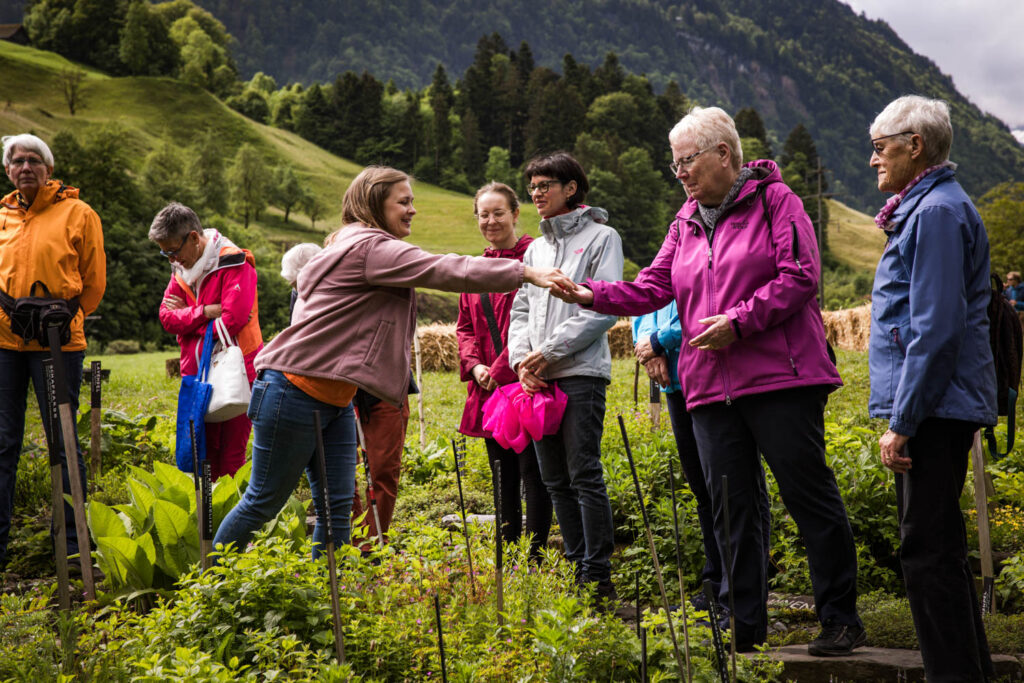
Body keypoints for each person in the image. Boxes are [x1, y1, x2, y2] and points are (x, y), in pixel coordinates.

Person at [551, 107, 863, 655]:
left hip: (779, 380)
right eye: (675, 166)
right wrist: (591, 294)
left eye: (687, 161)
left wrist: (740, 322)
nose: (681, 175)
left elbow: (800, 278)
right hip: (709, 389)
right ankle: (745, 629)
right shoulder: (685, 220)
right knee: (729, 508)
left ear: (725, 153)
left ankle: (840, 619)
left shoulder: (776, 201)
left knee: (807, 496)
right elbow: (652, 286)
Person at [213, 166, 565, 559]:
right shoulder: (370, 247)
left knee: (337, 512)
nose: (413, 209)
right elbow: (444, 268)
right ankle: (209, 589)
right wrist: (526, 272)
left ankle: (329, 601)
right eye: (404, 201)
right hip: (293, 392)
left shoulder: (354, 243)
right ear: (374, 203)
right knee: (263, 501)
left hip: (336, 398)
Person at [868, 95, 995, 680]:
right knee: (937, 547)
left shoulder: (937, 212)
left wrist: (903, 419)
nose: (874, 160)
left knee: (925, 551)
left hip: (933, 408)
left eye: (879, 147)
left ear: (913, 145)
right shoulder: (928, 207)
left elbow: (936, 329)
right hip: (936, 404)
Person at [508, 152, 624, 601]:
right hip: (537, 378)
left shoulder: (602, 237)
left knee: (583, 475)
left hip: (579, 374)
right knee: (553, 478)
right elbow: (520, 310)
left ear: (571, 187)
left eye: (544, 185)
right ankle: (577, 568)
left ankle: (597, 576)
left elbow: (604, 305)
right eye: (532, 187)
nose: (536, 194)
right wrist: (522, 361)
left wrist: (546, 353)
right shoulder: (535, 249)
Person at [0, 133, 106, 568]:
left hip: (58, 344)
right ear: (8, 170)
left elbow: (94, 281)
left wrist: (66, 318)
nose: (25, 167)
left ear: (49, 168)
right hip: (4, 343)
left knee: (62, 441)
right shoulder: (2, 216)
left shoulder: (78, 213)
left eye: (34, 160)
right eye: (17, 161)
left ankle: (73, 542)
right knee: (3, 442)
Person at [632, 301, 771, 613]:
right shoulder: (667, 253)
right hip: (674, 382)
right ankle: (716, 580)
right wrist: (648, 346)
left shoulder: (712, 252)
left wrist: (659, 340)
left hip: (714, 374)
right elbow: (643, 303)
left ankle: (744, 587)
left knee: (733, 487)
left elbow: (709, 305)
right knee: (702, 488)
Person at [456, 182, 552, 560]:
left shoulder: (535, 258)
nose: (491, 220)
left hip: (527, 383)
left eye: (499, 213)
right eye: (484, 214)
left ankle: (536, 557)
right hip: (488, 390)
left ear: (515, 214)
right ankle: (507, 556)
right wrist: (475, 365)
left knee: (534, 474)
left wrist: (499, 367)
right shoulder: (474, 269)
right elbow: (464, 327)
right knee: (501, 477)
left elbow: (535, 321)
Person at [150, 202, 263, 480]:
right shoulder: (181, 269)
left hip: (236, 370)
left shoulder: (234, 262)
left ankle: (231, 518)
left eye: (173, 251)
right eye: (164, 253)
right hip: (197, 373)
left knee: (230, 453)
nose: (171, 260)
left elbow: (233, 319)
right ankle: (208, 519)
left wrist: (188, 320)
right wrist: (205, 312)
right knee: (203, 451)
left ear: (193, 238)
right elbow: (166, 318)